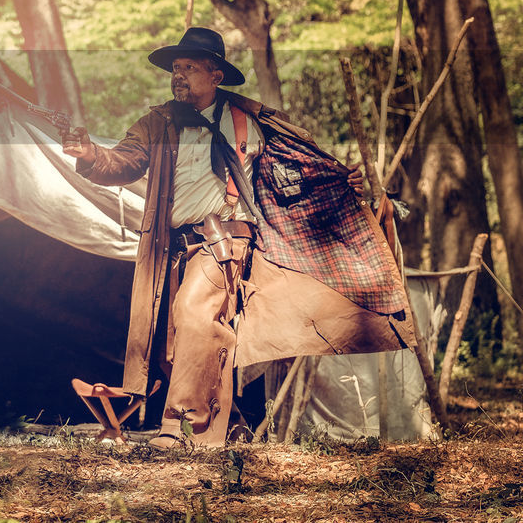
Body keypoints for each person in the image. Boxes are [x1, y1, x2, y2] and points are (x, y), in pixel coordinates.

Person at [63, 27, 413, 448]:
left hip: (224, 241)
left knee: (194, 312)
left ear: (215, 75)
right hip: (171, 248)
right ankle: (228, 427)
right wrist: (89, 155)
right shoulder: (158, 122)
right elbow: (123, 161)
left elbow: (301, 169)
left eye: (189, 67)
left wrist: (341, 180)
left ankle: (179, 427)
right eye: (176, 68)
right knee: (178, 339)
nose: (179, 75)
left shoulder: (252, 121)